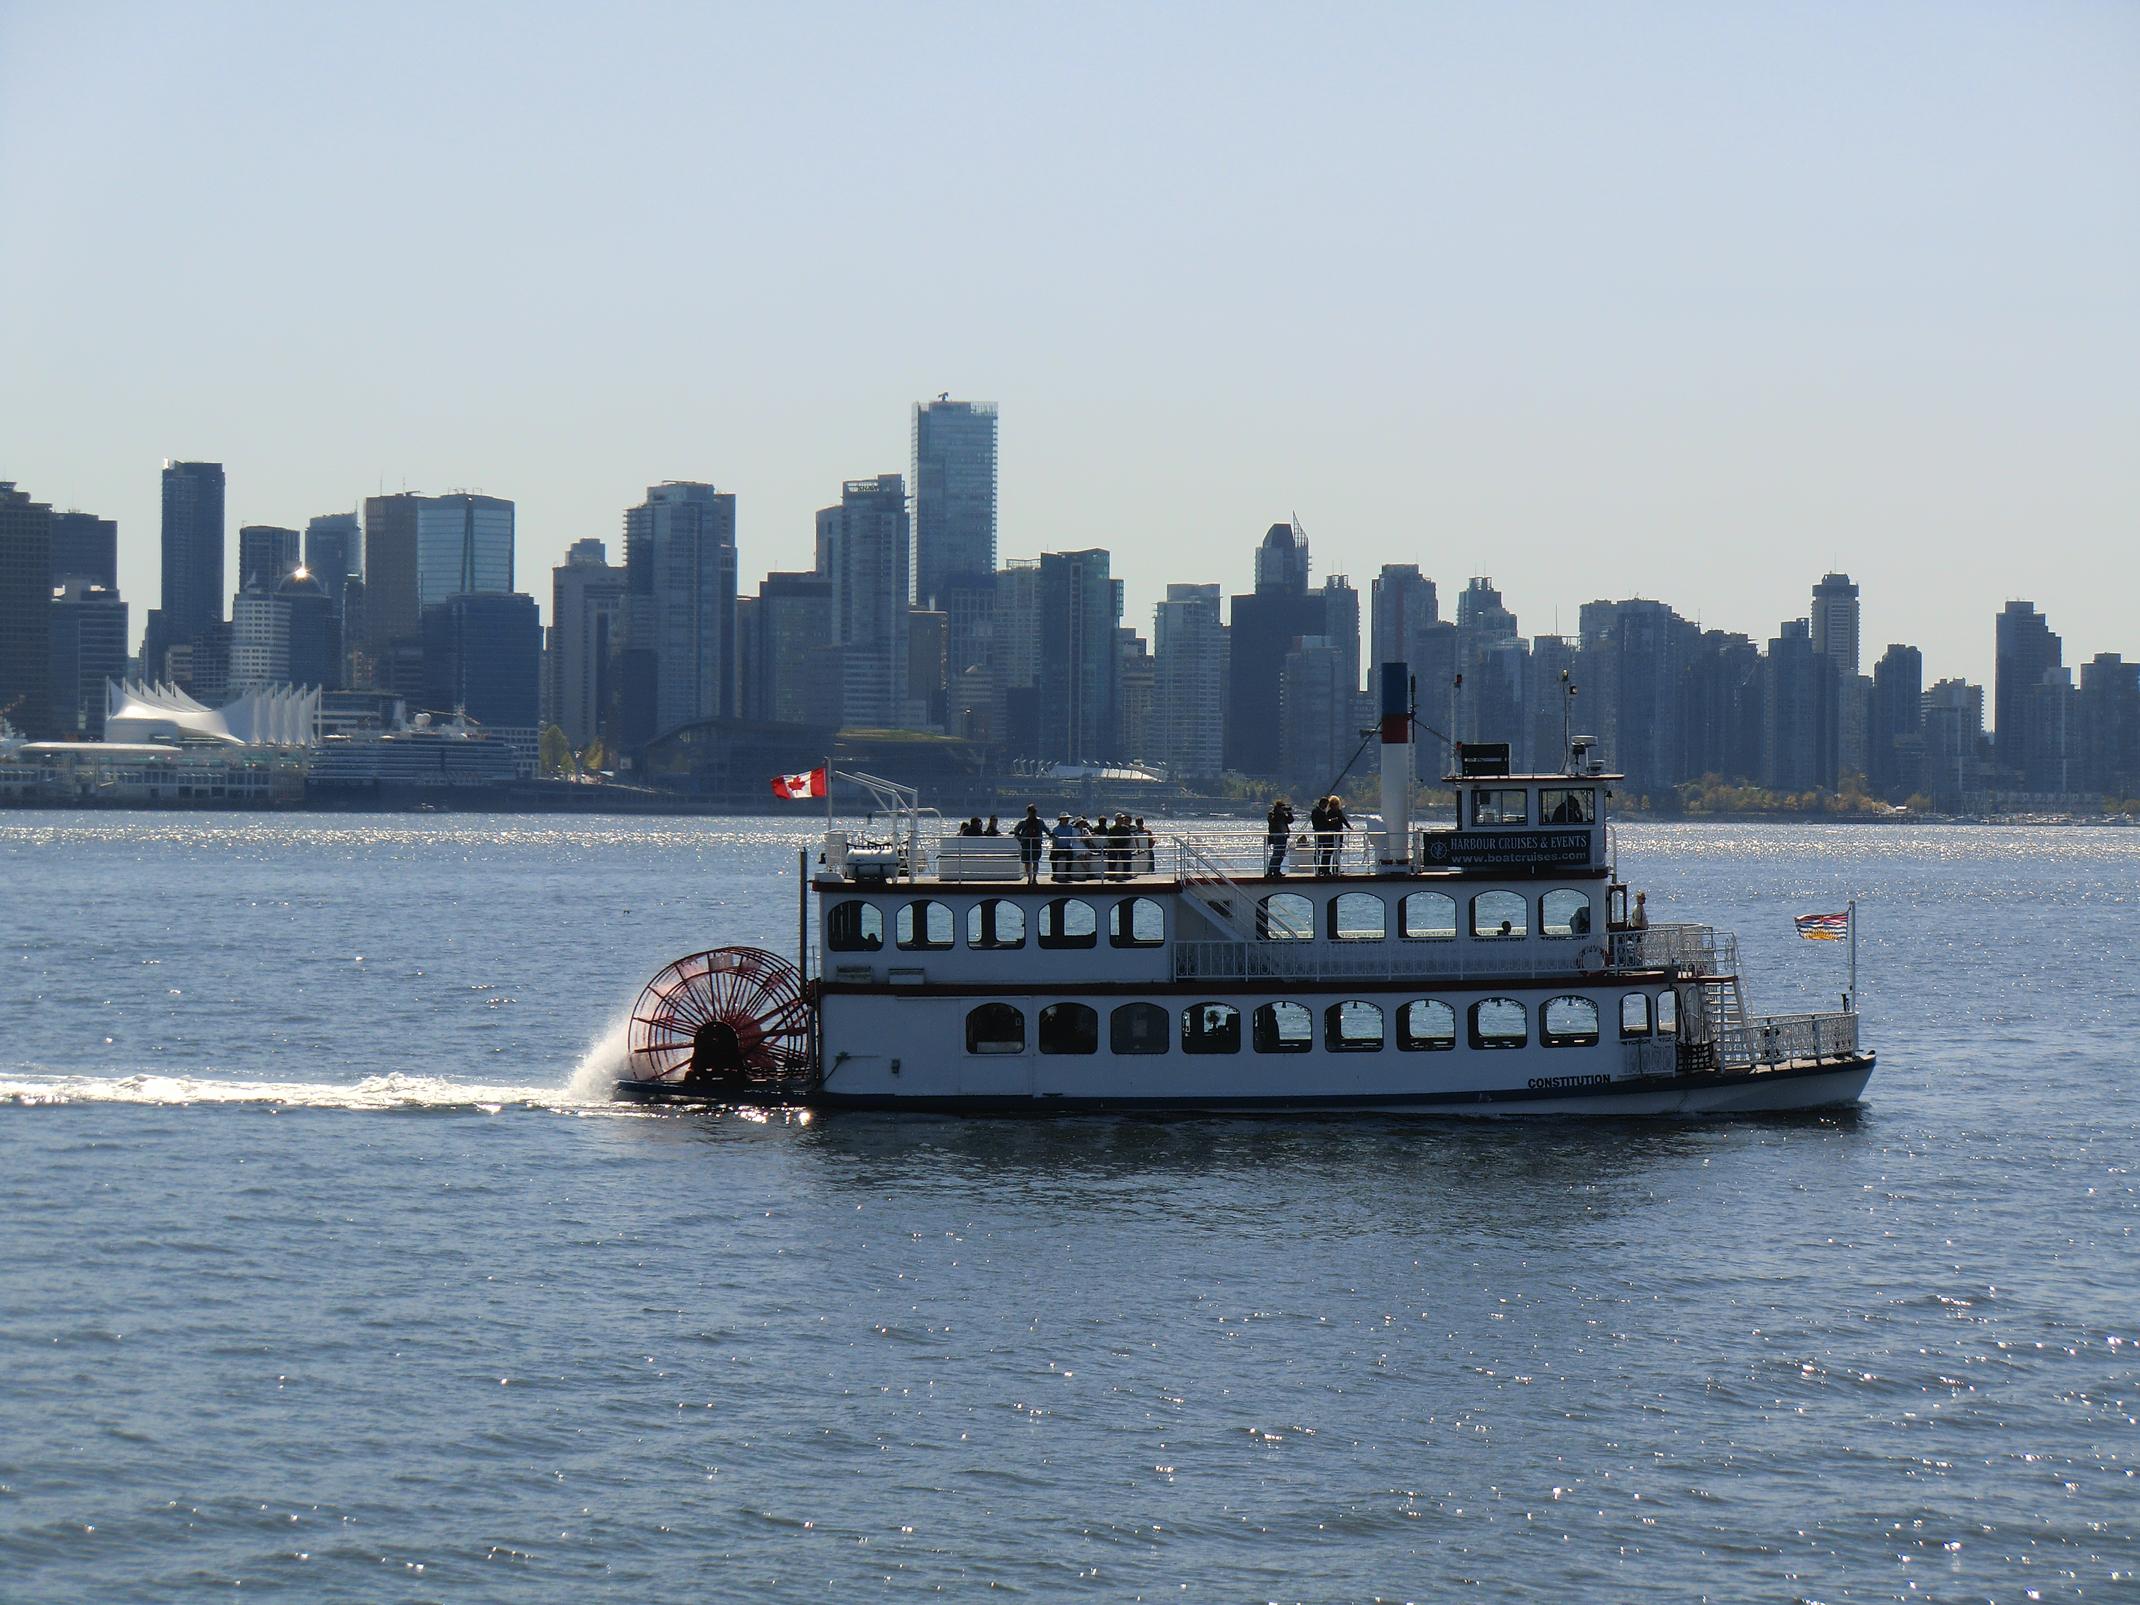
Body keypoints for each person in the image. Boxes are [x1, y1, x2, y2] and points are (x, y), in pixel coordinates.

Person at [1313, 794, 1349, 876]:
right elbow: (1324, 823)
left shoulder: (1339, 812)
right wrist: (1331, 821)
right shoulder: (1327, 812)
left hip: (1338, 833)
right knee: (1328, 851)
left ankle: (1335, 868)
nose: (1334, 806)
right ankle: (1324, 869)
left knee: (1337, 851)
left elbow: (1343, 819)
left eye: (1336, 804)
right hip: (1330, 834)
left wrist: (1350, 827)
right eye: (1332, 804)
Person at [1012, 804, 1047, 884]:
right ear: (1028, 812)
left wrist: (1052, 835)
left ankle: (1034, 878)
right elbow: (1016, 831)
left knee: (1035, 861)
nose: (1034, 813)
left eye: (1035, 811)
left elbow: (1046, 829)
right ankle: (1029, 877)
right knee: (1027, 862)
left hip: (1036, 843)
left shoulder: (1039, 822)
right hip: (1026, 844)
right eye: (1032, 812)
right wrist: (1019, 837)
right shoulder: (1023, 822)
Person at [1266, 797, 1296, 877]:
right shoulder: (1272, 814)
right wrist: (1279, 814)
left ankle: (1277, 871)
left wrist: (1289, 813)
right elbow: (1273, 822)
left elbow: (1290, 820)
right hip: (1277, 837)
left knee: (1281, 854)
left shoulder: (1283, 815)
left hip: (1284, 837)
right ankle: (1270, 871)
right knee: (1276, 854)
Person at [1106, 811, 1134, 880]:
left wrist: (1126, 846)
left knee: (1127, 854)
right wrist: (1115, 849)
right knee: (1112, 855)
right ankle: (1112, 873)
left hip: (1123, 847)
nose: (1123, 820)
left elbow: (1129, 839)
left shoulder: (1125, 828)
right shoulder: (1111, 829)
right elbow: (1110, 840)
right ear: (1117, 820)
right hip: (1114, 847)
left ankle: (1126, 873)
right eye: (1121, 819)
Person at [1049, 813, 1076, 882]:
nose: (1066, 820)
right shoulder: (1056, 829)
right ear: (1061, 820)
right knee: (1053, 856)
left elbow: (1077, 830)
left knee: (1070, 855)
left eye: (1067, 819)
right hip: (1058, 847)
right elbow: (1054, 841)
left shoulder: (1070, 827)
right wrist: (1057, 848)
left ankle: (1068, 874)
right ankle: (1054, 874)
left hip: (1067, 847)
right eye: (1064, 819)